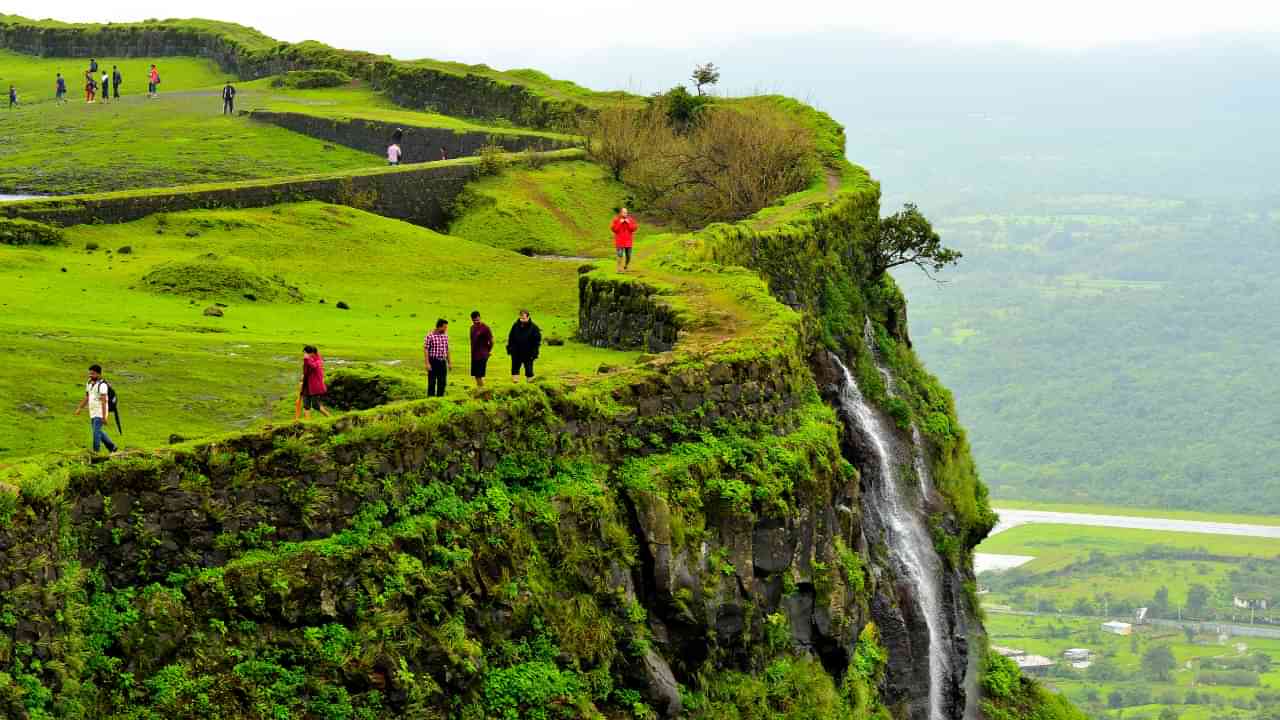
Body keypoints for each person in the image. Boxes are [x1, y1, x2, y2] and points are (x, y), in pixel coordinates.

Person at [74, 364, 117, 454]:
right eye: (90, 373)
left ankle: (95, 452)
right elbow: (87, 397)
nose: (90, 375)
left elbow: (104, 401)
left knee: (96, 433)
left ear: (98, 374)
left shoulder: (102, 385)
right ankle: (112, 446)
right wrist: (80, 408)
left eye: (92, 374)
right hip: (93, 412)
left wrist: (104, 416)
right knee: (98, 431)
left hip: (100, 412)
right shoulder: (89, 383)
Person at [507, 310, 542, 383]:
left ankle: (530, 386)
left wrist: (535, 353)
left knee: (529, 371)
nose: (522, 320)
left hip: (528, 353)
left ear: (528, 317)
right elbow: (511, 337)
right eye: (521, 318)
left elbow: (537, 342)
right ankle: (515, 385)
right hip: (516, 352)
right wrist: (510, 348)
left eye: (524, 318)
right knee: (515, 369)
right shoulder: (515, 326)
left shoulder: (534, 328)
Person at [299, 345, 331, 419]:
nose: (304, 355)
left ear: (312, 353)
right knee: (306, 405)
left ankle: (330, 417)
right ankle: (307, 423)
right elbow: (306, 370)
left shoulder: (318, 361)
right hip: (307, 385)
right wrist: (303, 376)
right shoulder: (308, 359)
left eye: (305, 353)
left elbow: (313, 366)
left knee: (315, 405)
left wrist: (306, 359)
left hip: (315, 386)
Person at [424, 319, 452, 397]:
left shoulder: (445, 336)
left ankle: (440, 398)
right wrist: (427, 363)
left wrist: (449, 363)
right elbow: (426, 349)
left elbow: (447, 349)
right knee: (432, 382)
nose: (446, 329)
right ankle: (430, 399)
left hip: (442, 362)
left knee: (442, 382)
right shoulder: (430, 336)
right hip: (433, 361)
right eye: (444, 327)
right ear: (439, 327)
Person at [469, 310, 494, 388]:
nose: (476, 321)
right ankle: (480, 389)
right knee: (476, 375)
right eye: (474, 320)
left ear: (480, 317)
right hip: (474, 355)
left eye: (477, 319)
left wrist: (488, 351)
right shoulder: (472, 328)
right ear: (472, 320)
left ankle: (483, 390)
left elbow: (492, 341)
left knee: (480, 374)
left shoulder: (485, 328)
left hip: (482, 355)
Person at [612, 207, 639, 272]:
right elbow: (614, 229)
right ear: (621, 213)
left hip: (628, 241)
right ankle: (619, 268)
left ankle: (626, 267)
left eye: (626, 212)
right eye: (624, 212)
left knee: (629, 255)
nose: (625, 214)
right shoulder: (616, 220)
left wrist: (628, 222)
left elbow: (634, 228)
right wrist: (620, 223)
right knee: (620, 254)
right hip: (620, 241)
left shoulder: (630, 219)